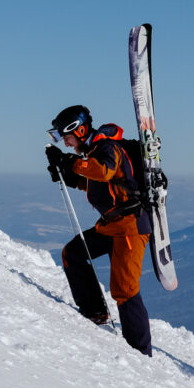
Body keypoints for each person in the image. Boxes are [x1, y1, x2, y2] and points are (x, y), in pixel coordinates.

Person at [44, 105, 152, 356]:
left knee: (124, 289)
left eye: (65, 137)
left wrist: (70, 164)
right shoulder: (92, 151)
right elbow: (94, 183)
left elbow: (104, 171)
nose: (65, 143)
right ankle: (95, 314)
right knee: (73, 254)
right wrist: (66, 173)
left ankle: (140, 353)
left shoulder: (107, 148)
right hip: (111, 225)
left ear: (79, 130)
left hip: (130, 227)